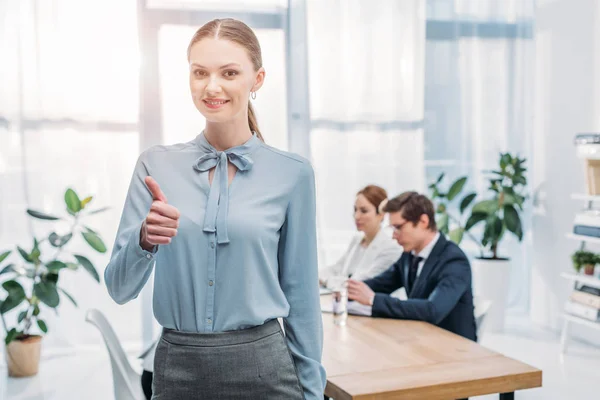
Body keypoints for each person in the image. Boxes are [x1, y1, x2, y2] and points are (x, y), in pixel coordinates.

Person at [104, 18, 326, 400]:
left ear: (256, 79)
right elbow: (119, 289)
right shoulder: (155, 166)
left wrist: (310, 392)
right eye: (200, 73)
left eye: (229, 72)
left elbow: (302, 298)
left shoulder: (293, 173)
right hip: (178, 370)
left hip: (266, 372)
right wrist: (145, 239)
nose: (212, 86)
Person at [346, 191, 477, 341]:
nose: (394, 235)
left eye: (398, 227)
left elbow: (433, 310)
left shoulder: (453, 260)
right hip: (420, 339)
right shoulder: (409, 255)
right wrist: (349, 290)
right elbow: (381, 283)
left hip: (453, 349)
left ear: (423, 222)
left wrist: (373, 300)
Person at [319, 185, 402, 287]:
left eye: (364, 211)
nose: (357, 216)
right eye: (355, 210)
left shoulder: (391, 248)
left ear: (381, 214)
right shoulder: (357, 240)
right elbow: (336, 269)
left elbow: (359, 283)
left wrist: (327, 281)